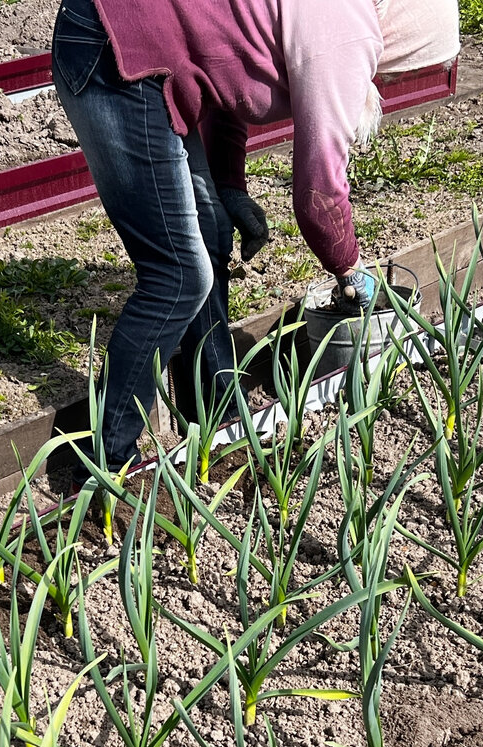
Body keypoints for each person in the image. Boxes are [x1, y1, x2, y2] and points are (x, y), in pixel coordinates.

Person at [52, 0, 460, 486]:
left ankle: (219, 416)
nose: (390, 81)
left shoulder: (342, 19)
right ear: (411, 40)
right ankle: (106, 462)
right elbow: (319, 191)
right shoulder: (347, 33)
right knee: (178, 276)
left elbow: (224, 71)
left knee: (212, 231)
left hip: (146, 45)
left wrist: (228, 187)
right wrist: (347, 268)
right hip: (114, 49)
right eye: (407, 71)